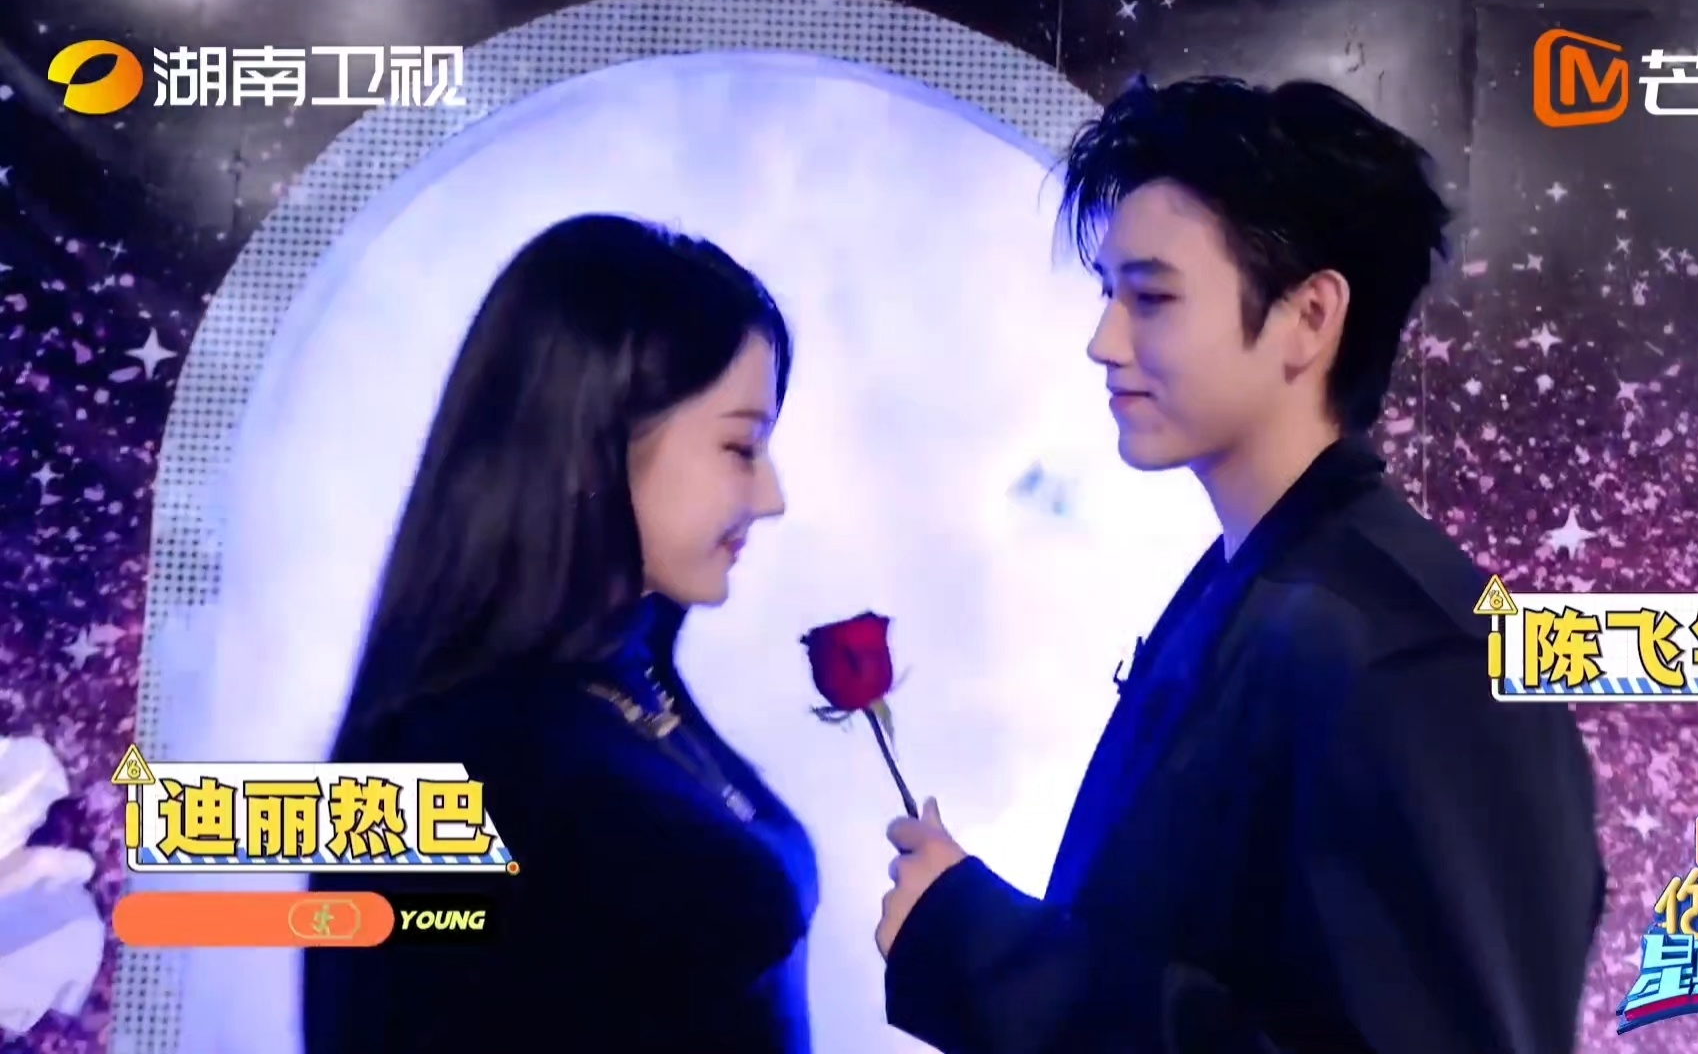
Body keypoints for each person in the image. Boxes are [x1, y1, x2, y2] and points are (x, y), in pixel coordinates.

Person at [876, 78, 1606, 1053]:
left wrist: (980, 950)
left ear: (1311, 316)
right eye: (1108, 295)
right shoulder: (1262, 586)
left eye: (1153, 298)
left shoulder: (1408, 652)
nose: (1103, 342)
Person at [303, 214, 815, 1052]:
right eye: (740, 447)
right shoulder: (448, 761)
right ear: (597, 441)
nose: (771, 497)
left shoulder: (630, 683)